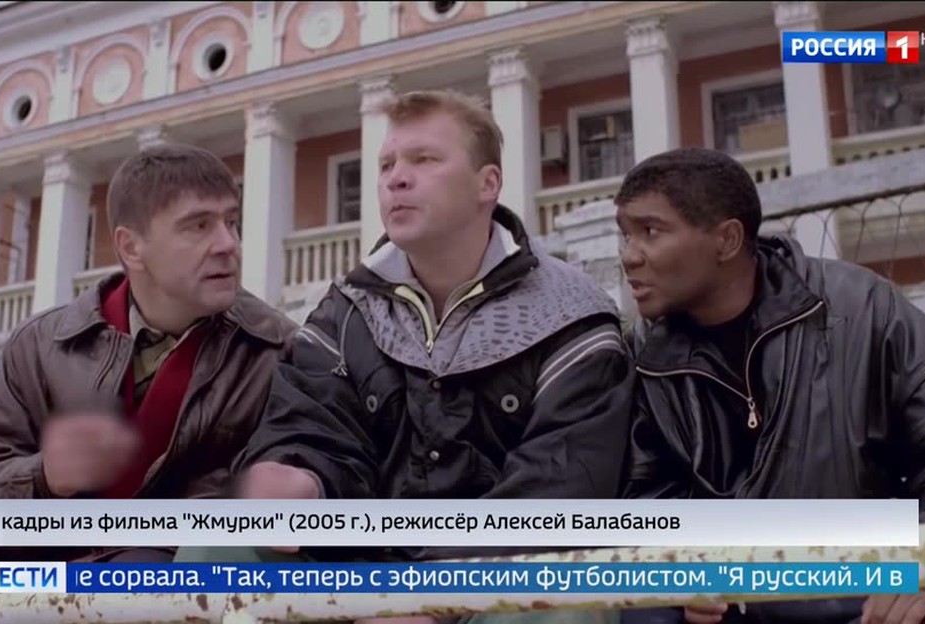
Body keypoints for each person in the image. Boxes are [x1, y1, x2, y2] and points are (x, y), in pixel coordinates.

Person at [176, 90, 638, 624]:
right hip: (363, 570)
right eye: (387, 165)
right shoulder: (346, 310)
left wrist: (433, 598)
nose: (396, 179)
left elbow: (558, 493)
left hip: (493, 580)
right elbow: (309, 425)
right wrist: (300, 475)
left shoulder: (571, 314)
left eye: (424, 159)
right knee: (215, 548)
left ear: (487, 184)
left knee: (559, 606)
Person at [0, 143, 298, 624]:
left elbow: (258, 509)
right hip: (33, 571)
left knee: (136, 580)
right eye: (198, 226)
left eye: (231, 222)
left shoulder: (276, 351)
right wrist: (45, 476)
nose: (228, 243)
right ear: (131, 247)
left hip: (160, 569)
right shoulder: (40, 345)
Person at [616, 147, 925, 624]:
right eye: (625, 234)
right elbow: (642, 494)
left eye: (650, 231)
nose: (628, 256)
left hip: (864, 595)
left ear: (727, 240)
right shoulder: (642, 355)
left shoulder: (859, 309)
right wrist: (683, 568)